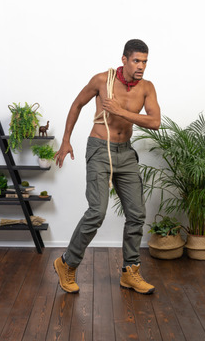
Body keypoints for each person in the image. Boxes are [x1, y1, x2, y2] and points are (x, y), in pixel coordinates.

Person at [54, 39, 161, 294]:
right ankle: (67, 263)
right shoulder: (102, 80)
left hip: (126, 153)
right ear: (124, 59)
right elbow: (77, 104)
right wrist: (66, 140)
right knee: (97, 212)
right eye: (136, 60)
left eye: (145, 61)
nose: (141, 66)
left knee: (137, 214)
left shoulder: (146, 87)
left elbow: (155, 122)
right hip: (100, 149)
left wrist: (121, 112)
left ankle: (129, 272)